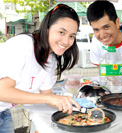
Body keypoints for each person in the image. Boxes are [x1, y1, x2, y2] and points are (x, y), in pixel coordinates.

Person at [0, 4, 81, 133]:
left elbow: (46, 94)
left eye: (72, 36)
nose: (66, 41)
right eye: (61, 32)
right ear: (47, 28)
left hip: (3, 113)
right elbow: (2, 92)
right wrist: (51, 98)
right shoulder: (23, 44)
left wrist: (71, 104)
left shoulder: (51, 58)